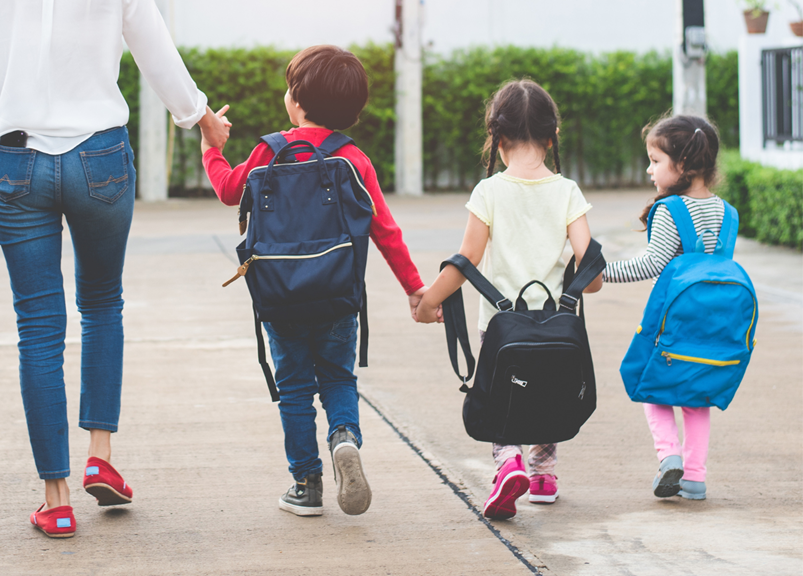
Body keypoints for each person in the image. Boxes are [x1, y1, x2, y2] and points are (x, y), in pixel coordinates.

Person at [0, 0, 230, 538]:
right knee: (103, 305)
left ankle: (55, 501)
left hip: (16, 161)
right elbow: (155, 47)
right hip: (99, 158)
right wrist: (200, 118)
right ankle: (100, 457)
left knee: (38, 328)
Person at [201, 45, 427, 517]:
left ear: (296, 102)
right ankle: (344, 437)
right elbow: (385, 230)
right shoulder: (353, 159)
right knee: (339, 378)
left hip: (280, 297)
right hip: (338, 295)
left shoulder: (269, 151)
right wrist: (414, 287)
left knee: (296, 389)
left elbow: (228, 191)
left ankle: (306, 485)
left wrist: (211, 149)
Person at [415, 79, 602, 520]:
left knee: (504, 393)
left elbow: (467, 261)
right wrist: (578, 286)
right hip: (557, 323)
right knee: (549, 388)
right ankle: (543, 475)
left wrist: (428, 302)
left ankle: (508, 464)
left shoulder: (490, 191)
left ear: (498, 140)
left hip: (500, 326)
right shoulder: (568, 191)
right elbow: (590, 271)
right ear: (552, 136)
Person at [602, 115, 724, 501]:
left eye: (656, 160)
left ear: (683, 166)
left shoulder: (672, 211)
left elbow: (650, 265)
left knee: (649, 386)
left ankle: (669, 455)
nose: (649, 169)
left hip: (671, 321)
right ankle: (696, 479)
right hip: (712, 324)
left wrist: (599, 272)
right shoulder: (727, 212)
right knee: (697, 396)